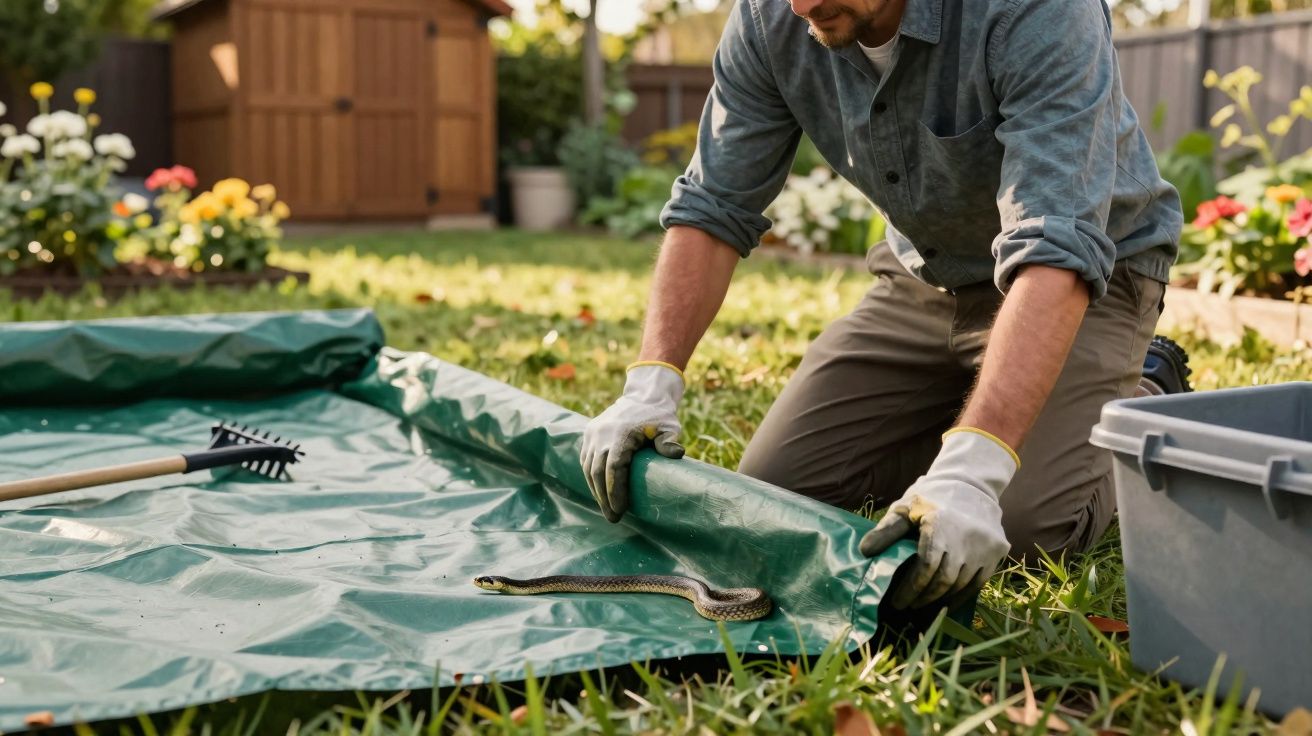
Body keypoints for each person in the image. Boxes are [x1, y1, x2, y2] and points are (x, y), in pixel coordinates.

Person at [579, 0, 1192, 610]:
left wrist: (975, 470)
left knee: (1022, 529)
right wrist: (650, 383)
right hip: (925, 278)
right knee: (778, 493)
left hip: (1087, 279)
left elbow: (1055, 243)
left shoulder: (1039, 10)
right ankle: (975, 423)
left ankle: (1147, 396)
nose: (802, 5)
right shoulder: (771, 19)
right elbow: (713, 204)